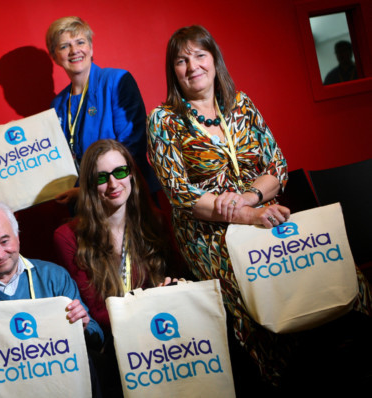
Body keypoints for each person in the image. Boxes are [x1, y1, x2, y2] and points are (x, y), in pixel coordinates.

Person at [147, 25, 371, 386]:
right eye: (181, 61)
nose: (193, 67)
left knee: (339, 271)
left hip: (264, 212)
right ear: (172, 71)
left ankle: (347, 356)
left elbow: (277, 167)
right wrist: (247, 215)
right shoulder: (164, 120)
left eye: (199, 56)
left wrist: (252, 200)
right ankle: (289, 376)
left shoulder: (242, 105)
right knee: (255, 292)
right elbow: (181, 195)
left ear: (215, 60)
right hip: (209, 233)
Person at [0, 201, 104, 397]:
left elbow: (96, 336)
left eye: (5, 241)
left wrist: (82, 327)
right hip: (0, 383)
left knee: (89, 363)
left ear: (18, 236)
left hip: (53, 372)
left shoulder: (53, 277)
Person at [53, 139, 172, 333]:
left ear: (131, 173)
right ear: (89, 185)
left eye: (120, 172)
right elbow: (95, 311)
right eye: (101, 178)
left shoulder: (156, 222)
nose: (113, 184)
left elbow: (176, 282)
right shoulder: (68, 237)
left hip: (164, 330)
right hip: (114, 342)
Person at [46, 16, 159, 205]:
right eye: (64, 46)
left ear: (90, 47)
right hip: (86, 206)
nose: (74, 51)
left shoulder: (116, 81)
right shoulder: (57, 105)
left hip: (129, 196)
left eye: (80, 42)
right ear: (55, 56)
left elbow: (132, 147)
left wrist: (87, 190)